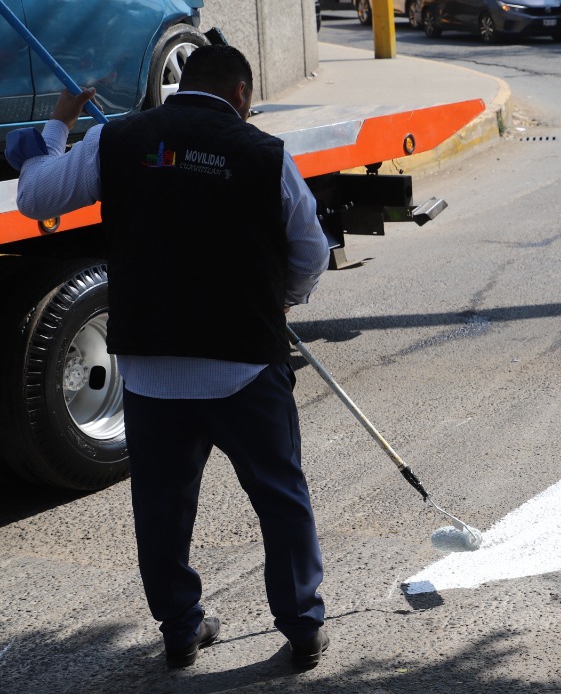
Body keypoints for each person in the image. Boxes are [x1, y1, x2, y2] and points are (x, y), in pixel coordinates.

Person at [7, 46, 332, 670]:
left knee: (162, 507)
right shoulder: (267, 154)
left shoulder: (121, 140)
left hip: (153, 371)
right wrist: (283, 302)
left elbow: (36, 199)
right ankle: (301, 627)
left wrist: (57, 126)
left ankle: (181, 629)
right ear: (240, 94)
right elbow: (310, 251)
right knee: (280, 497)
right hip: (243, 363)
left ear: (184, 84)